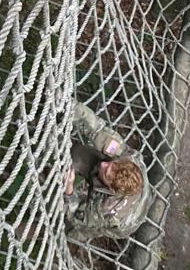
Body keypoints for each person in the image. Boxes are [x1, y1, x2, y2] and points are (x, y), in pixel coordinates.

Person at [65, 103, 151, 242]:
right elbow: (99, 131)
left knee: (80, 228)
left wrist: (68, 188)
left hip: (123, 224)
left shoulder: (105, 210)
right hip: (141, 196)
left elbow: (75, 215)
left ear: (109, 188)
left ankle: (65, 237)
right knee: (77, 154)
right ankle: (55, 161)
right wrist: (71, 107)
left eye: (107, 172)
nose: (104, 164)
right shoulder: (128, 158)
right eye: (113, 164)